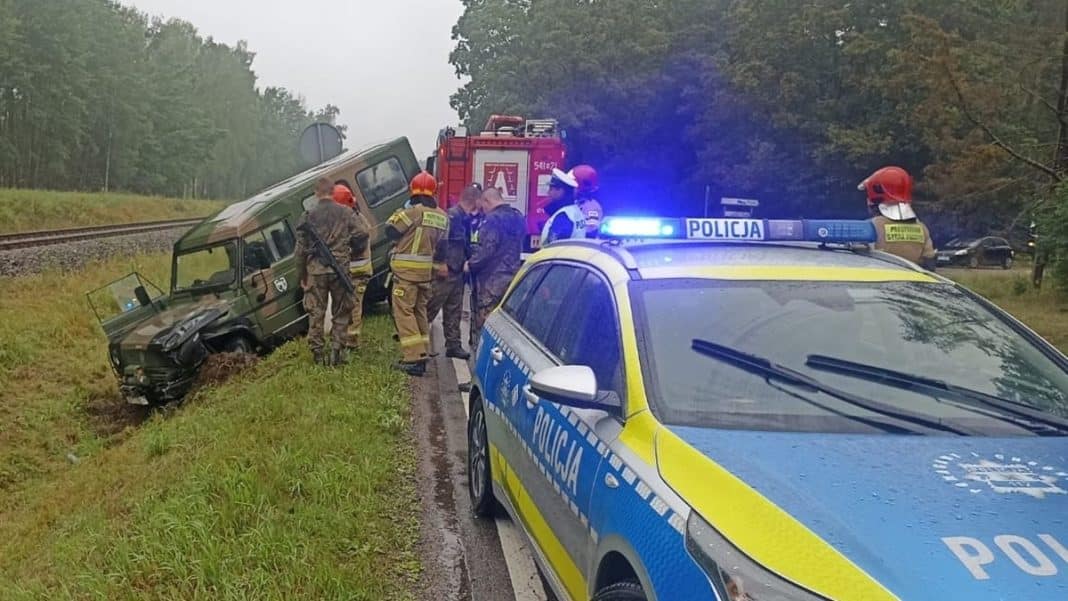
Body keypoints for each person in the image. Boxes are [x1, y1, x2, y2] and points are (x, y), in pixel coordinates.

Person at [295, 177, 368, 366]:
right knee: (341, 311)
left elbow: (300, 251)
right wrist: (351, 249)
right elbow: (362, 233)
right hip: (340, 270)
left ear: (316, 193)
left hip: (315, 272)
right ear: (332, 191)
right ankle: (337, 350)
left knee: (316, 312)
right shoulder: (345, 212)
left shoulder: (308, 215)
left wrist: (301, 275)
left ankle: (318, 354)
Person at [386, 171, 449, 376]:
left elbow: (391, 230)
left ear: (412, 191)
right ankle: (423, 351)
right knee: (419, 311)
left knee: (404, 312)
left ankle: (413, 358)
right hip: (425, 275)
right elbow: (443, 247)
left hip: (406, 273)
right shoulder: (442, 216)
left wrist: (399, 212)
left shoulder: (412, 212)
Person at [428, 184, 482, 360]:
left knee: (454, 310)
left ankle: (453, 344)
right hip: (446, 270)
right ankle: (417, 344)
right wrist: (441, 264)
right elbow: (441, 243)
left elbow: (463, 244)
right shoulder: (452, 217)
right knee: (431, 306)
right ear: (475, 200)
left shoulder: (464, 219)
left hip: (457, 270)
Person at [468, 187, 526, 348]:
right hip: (512, 280)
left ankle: (481, 360)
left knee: (485, 324)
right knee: (506, 326)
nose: (483, 211)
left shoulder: (492, 220)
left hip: (491, 282)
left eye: (483, 207)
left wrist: (470, 265)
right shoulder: (518, 216)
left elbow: (487, 249)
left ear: (487, 201)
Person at [858, 166, 937, 268]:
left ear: (873, 199)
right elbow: (929, 263)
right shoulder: (922, 228)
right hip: (911, 282)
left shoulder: (869, 227)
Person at [332, 183, 375, 349]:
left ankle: (352, 341)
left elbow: (358, 242)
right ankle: (344, 336)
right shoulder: (351, 218)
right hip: (349, 272)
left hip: (358, 272)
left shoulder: (356, 222)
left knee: (354, 306)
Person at [539, 165, 603, 246]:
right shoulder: (574, 208)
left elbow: (590, 235)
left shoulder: (590, 208)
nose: (548, 193)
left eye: (552, 188)